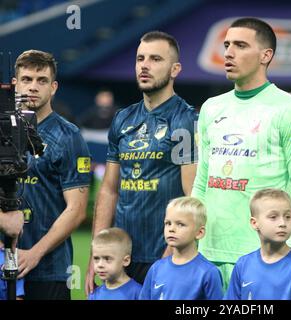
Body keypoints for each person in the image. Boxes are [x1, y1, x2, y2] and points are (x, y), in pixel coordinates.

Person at [192, 17, 291, 289]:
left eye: (240, 45)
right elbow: (202, 180)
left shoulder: (290, 110)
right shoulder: (211, 108)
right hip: (207, 253)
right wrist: (190, 233)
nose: (228, 52)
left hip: (262, 255)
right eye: (226, 45)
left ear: (266, 55)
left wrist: (290, 247)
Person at [85, 31, 198, 295]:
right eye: (140, 59)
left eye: (156, 59)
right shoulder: (122, 119)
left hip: (165, 257)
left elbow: (191, 196)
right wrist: (97, 251)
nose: (144, 65)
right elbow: (109, 189)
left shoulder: (185, 120)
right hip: (121, 259)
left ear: (175, 69)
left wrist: (171, 254)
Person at [12, 50, 91, 300]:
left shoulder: (69, 137)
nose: (33, 87)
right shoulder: (3, 131)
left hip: (50, 271)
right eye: (26, 79)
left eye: (41, 80)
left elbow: (77, 209)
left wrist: (34, 253)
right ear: (15, 84)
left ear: (53, 87)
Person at [225, 189, 291, 300]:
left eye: (288, 217)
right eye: (273, 217)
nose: (282, 223)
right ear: (255, 223)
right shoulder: (243, 265)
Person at [139, 197, 223, 300]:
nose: (171, 229)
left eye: (180, 224)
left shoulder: (208, 272)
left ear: (199, 232)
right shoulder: (156, 268)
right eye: (168, 223)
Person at [88, 228, 142, 300]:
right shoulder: (95, 295)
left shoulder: (138, 293)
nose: (100, 265)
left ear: (126, 261)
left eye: (107, 259)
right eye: (96, 258)